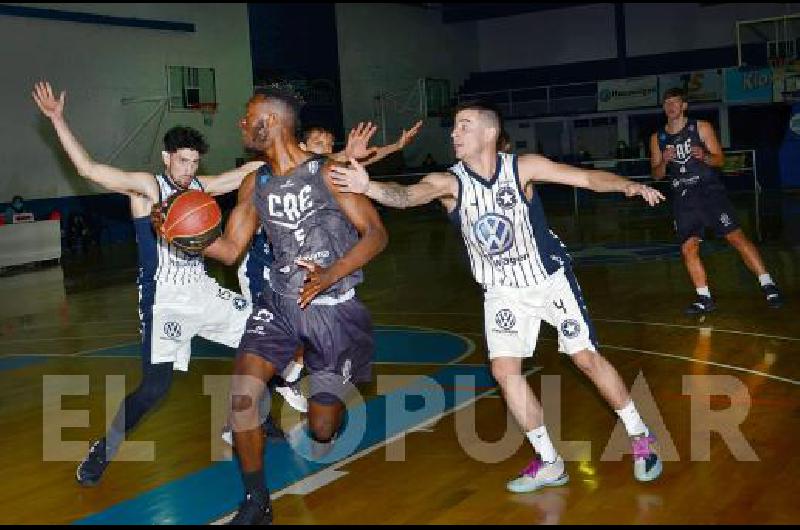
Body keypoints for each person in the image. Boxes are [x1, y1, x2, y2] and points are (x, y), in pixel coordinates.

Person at [330, 100, 665, 494]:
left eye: (464, 126)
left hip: (548, 280)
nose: (454, 133)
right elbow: (407, 196)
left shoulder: (523, 167)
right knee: (505, 372)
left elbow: (587, 179)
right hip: (501, 291)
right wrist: (369, 187)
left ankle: (641, 437)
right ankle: (550, 461)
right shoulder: (449, 183)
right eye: (454, 127)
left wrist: (627, 185)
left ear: (489, 133)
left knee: (585, 358)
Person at [32, 80, 264, 486]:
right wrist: (57, 120)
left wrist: (316, 157)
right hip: (165, 302)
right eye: (182, 161)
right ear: (166, 158)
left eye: (194, 162)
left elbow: (246, 172)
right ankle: (104, 449)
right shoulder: (146, 188)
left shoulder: (199, 187)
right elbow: (89, 170)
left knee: (268, 335)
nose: (189, 169)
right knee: (154, 390)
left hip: (204, 291)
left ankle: (239, 421)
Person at [201, 87, 388, 524]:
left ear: (273, 121)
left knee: (322, 429)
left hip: (333, 309)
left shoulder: (327, 173)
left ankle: (332, 414)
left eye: (248, 117)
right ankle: (256, 502)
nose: (241, 125)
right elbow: (230, 250)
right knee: (243, 396)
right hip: (279, 303)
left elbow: (376, 233)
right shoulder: (255, 182)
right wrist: (183, 237)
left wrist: (330, 273)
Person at [227, 119, 424, 435]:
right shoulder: (265, 173)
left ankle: (295, 380)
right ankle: (255, 409)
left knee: (309, 347)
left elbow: (359, 165)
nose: (326, 147)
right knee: (265, 347)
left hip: (317, 279)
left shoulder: (327, 172)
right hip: (265, 269)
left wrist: (394, 147)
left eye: (330, 143)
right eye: (318, 139)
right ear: (300, 144)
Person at [650, 87, 783, 313]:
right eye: (667, 103)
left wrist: (705, 156)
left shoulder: (701, 127)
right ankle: (704, 298)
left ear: (684, 106)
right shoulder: (658, 138)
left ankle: (768, 284)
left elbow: (720, 160)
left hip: (709, 193)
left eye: (675, 102)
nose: (671, 106)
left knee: (736, 237)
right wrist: (663, 161)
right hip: (683, 199)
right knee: (688, 248)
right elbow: (656, 174)